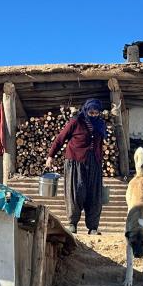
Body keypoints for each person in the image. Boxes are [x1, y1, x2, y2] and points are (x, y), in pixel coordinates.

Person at [45, 98, 107, 234]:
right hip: (75, 161)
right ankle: (72, 223)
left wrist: (98, 161)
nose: (94, 115)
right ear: (86, 111)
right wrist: (51, 156)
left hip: (94, 162)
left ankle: (93, 227)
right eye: (91, 113)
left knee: (94, 195)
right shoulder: (76, 122)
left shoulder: (100, 124)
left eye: (96, 113)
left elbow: (100, 144)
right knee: (76, 191)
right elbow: (60, 139)